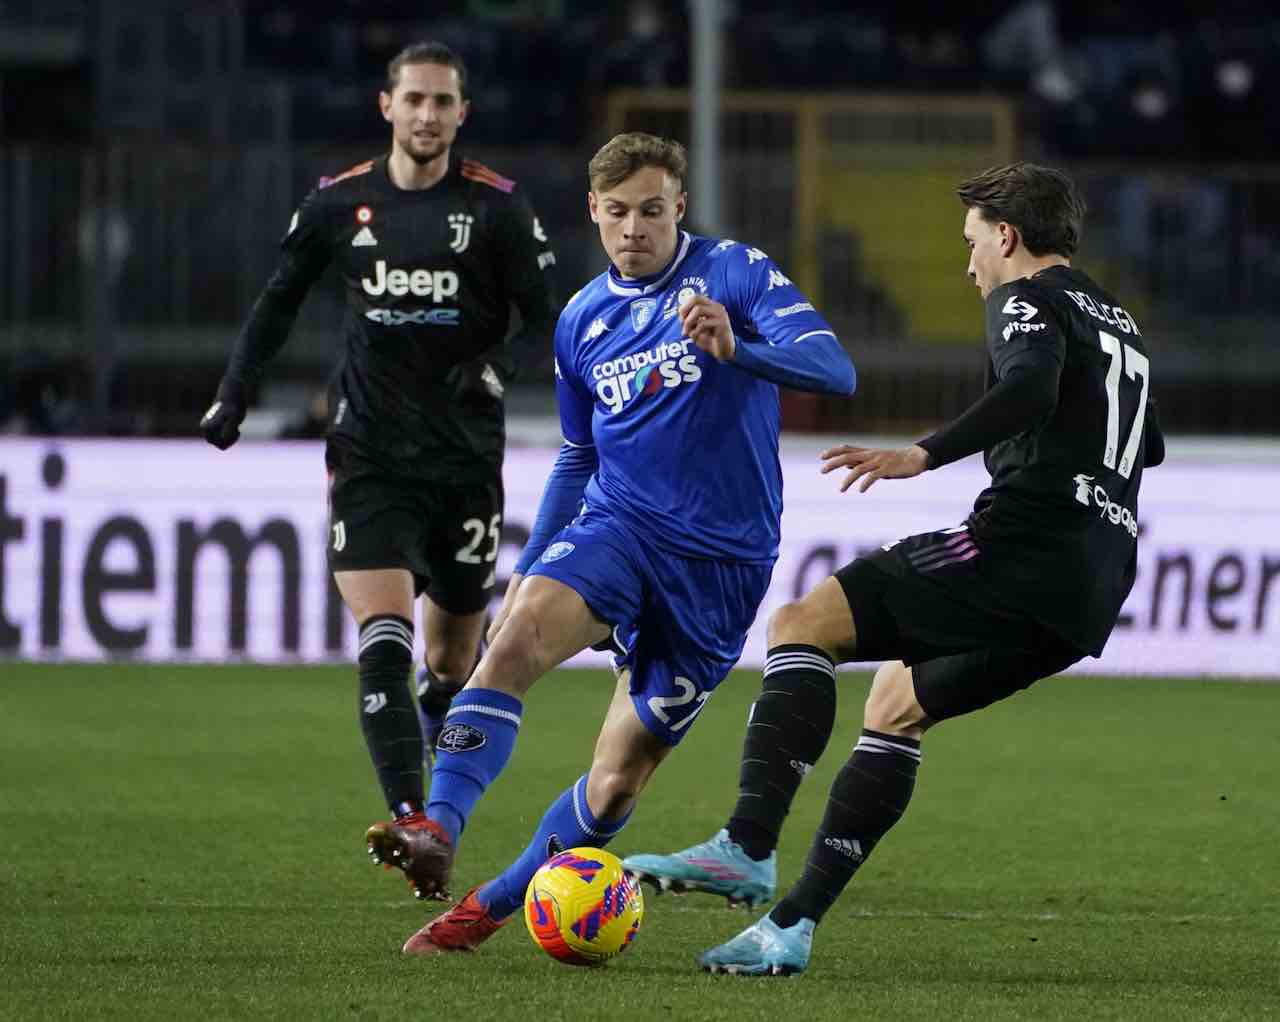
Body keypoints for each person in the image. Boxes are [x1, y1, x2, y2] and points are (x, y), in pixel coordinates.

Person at [623, 161, 1166, 976]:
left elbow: (1030, 388)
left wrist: (923, 453)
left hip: (1022, 548)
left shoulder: (1026, 299)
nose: (969, 264)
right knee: (896, 704)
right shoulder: (1117, 322)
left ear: (1007, 236)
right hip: (1094, 586)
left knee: (802, 624)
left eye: (972, 242)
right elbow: (1147, 445)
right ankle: (789, 928)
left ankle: (746, 844)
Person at [379, 131, 857, 954]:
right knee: (510, 644)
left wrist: (738, 348)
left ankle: (488, 908)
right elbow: (578, 454)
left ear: (680, 208)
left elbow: (836, 369)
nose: (634, 227)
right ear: (594, 212)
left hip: (720, 567)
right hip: (620, 527)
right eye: (618, 212)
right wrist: (533, 563)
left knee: (614, 784)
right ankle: (437, 827)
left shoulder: (733, 273)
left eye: (651, 211)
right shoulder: (581, 320)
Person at [198, 41, 558, 899]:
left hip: (465, 460)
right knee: (383, 637)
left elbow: (551, 319)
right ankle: (415, 821)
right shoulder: (337, 203)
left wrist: (497, 367)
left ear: (462, 113)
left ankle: (434, 741)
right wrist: (233, 395)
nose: (428, 114)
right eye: (415, 99)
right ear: (386, 106)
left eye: (443, 102)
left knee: (452, 659)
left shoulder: (497, 208)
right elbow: (277, 302)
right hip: (368, 454)